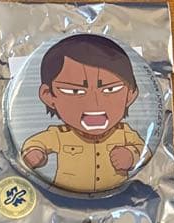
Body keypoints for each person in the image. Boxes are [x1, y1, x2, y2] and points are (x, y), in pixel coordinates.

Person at [21, 34, 146, 193]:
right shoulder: (60, 135)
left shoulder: (125, 133)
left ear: (131, 94)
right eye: (75, 91)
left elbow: (143, 149)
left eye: (110, 89)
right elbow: (36, 142)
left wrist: (131, 155)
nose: (94, 103)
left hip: (119, 195)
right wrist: (34, 153)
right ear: (48, 96)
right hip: (63, 198)